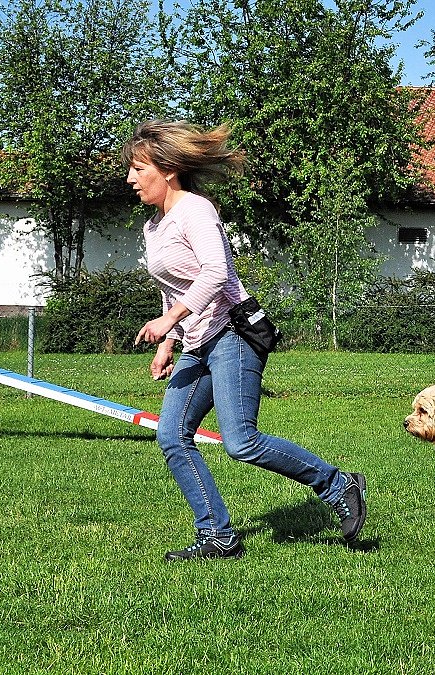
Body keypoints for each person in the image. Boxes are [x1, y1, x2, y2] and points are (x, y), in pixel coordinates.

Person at [123, 120, 366, 561]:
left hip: (232, 333)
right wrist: (168, 341)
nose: (130, 179)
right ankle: (217, 535)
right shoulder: (154, 227)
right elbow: (172, 288)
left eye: (139, 169)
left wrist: (170, 319)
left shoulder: (196, 210)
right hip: (196, 341)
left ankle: (337, 484)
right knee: (172, 436)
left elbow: (216, 272)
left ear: (169, 169)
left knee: (240, 442)